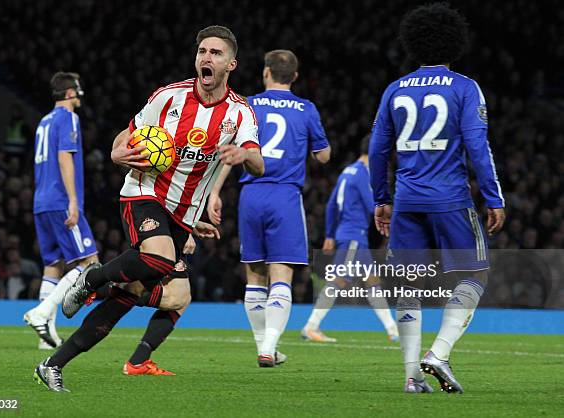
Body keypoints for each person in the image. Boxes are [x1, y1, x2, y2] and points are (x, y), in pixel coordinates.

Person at [34, 25, 264, 392]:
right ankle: (91, 279)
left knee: (171, 296)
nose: (206, 57)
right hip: (144, 192)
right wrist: (115, 152)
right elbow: (127, 135)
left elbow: (258, 161)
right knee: (157, 259)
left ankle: (53, 363)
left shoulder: (240, 113)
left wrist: (241, 155)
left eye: (216, 53)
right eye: (202, 51)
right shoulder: (168, 98)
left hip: (183, 215)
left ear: (231, 64)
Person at [369, 3, 505, 393]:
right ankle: (439, 354)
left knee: (410, 287)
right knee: (474, 273)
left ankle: (412, 377)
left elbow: (378, 149)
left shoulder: (394, 89)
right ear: (454, 41)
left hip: (407, 201)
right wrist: (494, 197)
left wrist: (383, 198)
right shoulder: (464, 86)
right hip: (450, 198)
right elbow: (479, 146)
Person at [208, 50, 331, 367]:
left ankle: (265, 347)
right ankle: (269, 346)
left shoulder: (247, 105)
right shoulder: (306, 109)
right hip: (284, 196)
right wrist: (312, 149)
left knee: (254, 277)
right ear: (295, 76)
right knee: (281, 277)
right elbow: (324, 156)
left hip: (251, 195)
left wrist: (215, 192)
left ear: (266, 73)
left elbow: (232, 153)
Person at [23, 72, 99, 349]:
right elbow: (64, 157)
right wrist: (73, 201)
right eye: (77, 90)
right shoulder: (69, 118)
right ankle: (42, 314)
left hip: (41, 201)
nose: (80, 95)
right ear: (70, 93)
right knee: (89, 262)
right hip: (59, 199)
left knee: (52, 265)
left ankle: (46, 336)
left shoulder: (43, 122)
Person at [301, 135, 398, 343]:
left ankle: (393, 330)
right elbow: (371, 201)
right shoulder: (363, 173)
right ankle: (311, 326)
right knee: (340, 279)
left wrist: (329, 234)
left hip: (351, 234)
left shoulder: (348, 170)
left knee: (372, 280)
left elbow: (332, 205)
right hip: (353, 235)